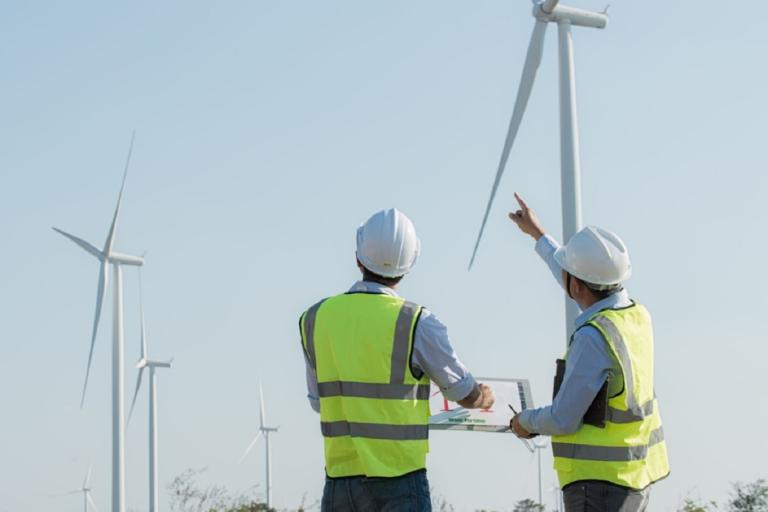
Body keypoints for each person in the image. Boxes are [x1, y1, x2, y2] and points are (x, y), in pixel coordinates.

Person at [300, 208, 494, 512]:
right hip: (399, 481)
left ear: (358, 258)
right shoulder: (417, 322)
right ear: (410, 264)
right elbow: (461, 392)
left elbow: (318, 402)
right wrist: (482, 397)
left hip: (340, 483)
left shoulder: (315, 318)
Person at [507, 193, 669, 512]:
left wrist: (524, 421)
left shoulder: (593, 337)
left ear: (577, 287)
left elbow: (563, 417)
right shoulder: (636, 316)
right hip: (635, 477)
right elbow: (579, 279)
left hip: (597, 487)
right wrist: (539, 235)